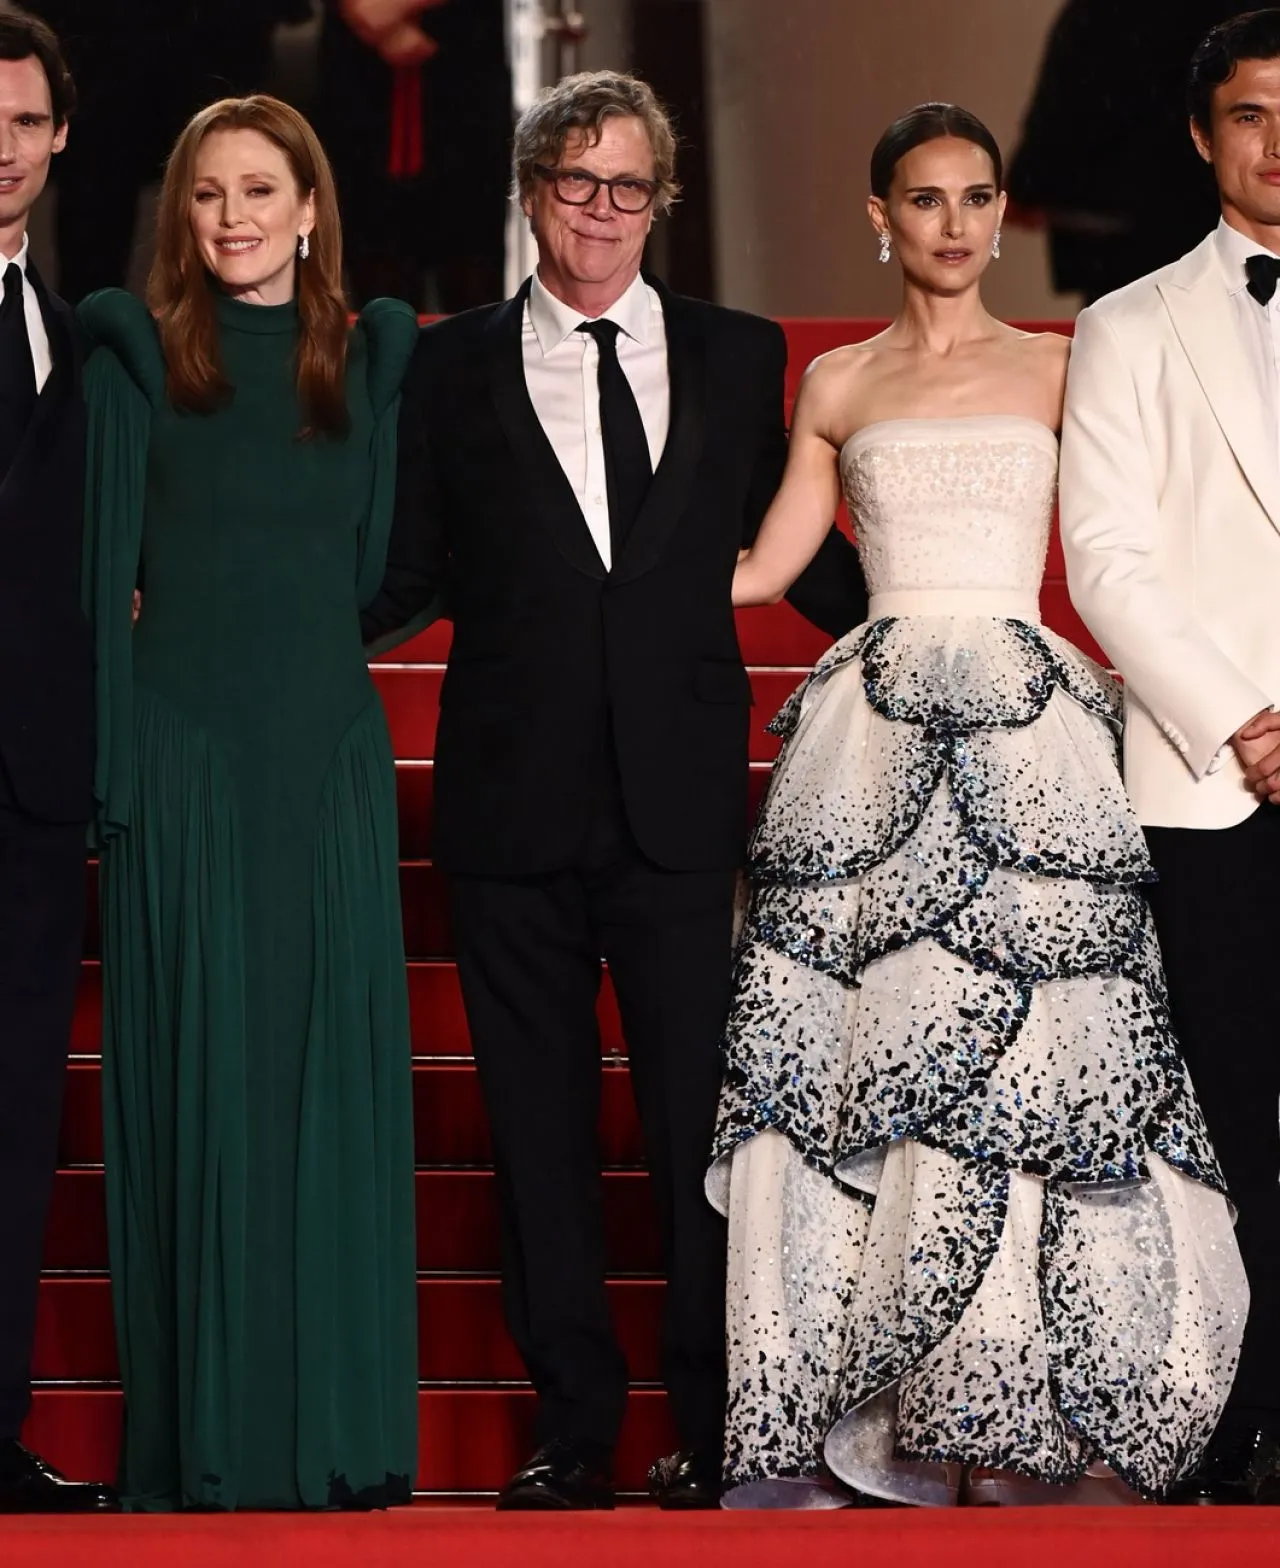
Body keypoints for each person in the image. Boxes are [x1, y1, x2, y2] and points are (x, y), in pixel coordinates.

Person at [717, 102, 1246, 1509]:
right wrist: (572, 584)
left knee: (1037, 1068)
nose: (953, 224)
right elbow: (767, 566)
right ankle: (895, 1409)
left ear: (1001, 215)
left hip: (1034, 736)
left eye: (975, 198)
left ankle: (1023, 1417)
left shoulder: (1071, 368)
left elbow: (1156, 525)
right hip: (874, 740)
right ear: (877, 217)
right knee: (876, 1063)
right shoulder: (832, 385)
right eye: (924, 199)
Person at [359, 69, 869, 1511]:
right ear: (530, 192)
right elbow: (405, 574)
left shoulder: (737, 351)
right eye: (573, 182)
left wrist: (929, 622)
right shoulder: (447, 367)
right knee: (536, 1130)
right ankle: (573, 1425)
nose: (600, 211)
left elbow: (809, 556)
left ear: (663, 202)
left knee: (700, 1129)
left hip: (678, 806)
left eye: (627, 186)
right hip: (511, 804)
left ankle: (712, 1419)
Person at [80, 93, 419, 1510]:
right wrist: (110, 784)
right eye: (209, 194)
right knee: (204, 1093)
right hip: (186, 761)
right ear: (183, 212)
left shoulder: (372, 354)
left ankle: (334, 1437)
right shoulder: (132, 355)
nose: (232, 218)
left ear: (307, 207)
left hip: (322, 761)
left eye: (259, 191)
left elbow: (386, 567)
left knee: (321, 1092)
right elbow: (98, 588)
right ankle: (210, 1437)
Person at [1061, 8, 1280, 1506]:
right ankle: (1246, 1415)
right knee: (1232, 1110)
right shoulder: (1130, 323)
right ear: (1205, 135)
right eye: (1256, 113)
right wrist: (1250, 722)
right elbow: (1107, 557)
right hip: (1213, 779)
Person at [0, 12, 117, 1515]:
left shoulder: (79, 329)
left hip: (32, 777)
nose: (1, 148)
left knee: (16, 1109)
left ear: (60, 136)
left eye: (23, 120)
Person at [22, 1, 308, 301]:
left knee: (227, 171)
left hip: (217, 30)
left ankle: (233, 325)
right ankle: (85, 330)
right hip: (103, 35)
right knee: (97, 204)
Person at [1007, 0, 1251, 301]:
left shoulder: (1113, 13)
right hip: (1223, 212)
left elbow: (1076, 103)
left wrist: (1030, 181)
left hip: (1130, 224)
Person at [316, 0, 510, 311]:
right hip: (360, 85)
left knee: (472, 283)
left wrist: (391, 6)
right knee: (377, 286)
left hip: (462, 74)